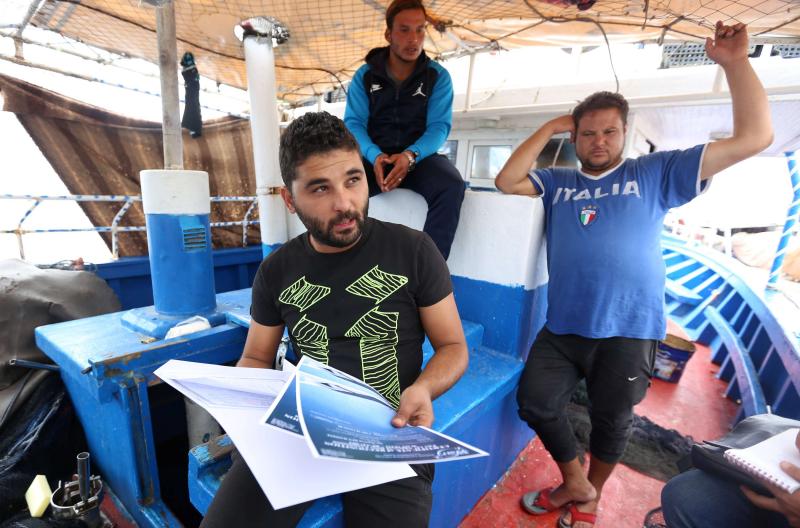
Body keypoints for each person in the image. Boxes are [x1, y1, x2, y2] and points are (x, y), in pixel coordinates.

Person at [494, 21, 773, 528]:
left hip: (630, 329)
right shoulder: (558, 182)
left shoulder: (655, 172)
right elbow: (506, 180)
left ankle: (589, 495)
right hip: (563, 329)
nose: (598, 141)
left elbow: (755, 136)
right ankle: (575, 482)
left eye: (609, 131)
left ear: (625, 131)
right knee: (534, 401)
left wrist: (734, 62)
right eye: (587, 132)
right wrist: (547, 127)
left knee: (611, 420)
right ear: (574, 136)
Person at [199, 111, 468, 528]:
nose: (343, 203)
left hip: (390, 431)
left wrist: (424, 388)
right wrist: (247, 405)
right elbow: (255, 357)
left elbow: (453, 346)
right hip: (301, 430)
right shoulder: (275, 271)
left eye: (353, 180)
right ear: (290, 201)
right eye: (320, 188)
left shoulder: (414, 250)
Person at [344, 0, 465, 260]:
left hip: (418, 159)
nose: (414, 39)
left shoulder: (437, 77)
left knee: (451, 184)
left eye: (420, 30)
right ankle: (343, 261)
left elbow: (439, 127)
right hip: (375, 160)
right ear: (389, 34)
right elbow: (353, 124)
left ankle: (429, 271)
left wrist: (411, 155)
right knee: (341, 183)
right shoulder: (365, 76)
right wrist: (374, 155)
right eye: (404, 30)